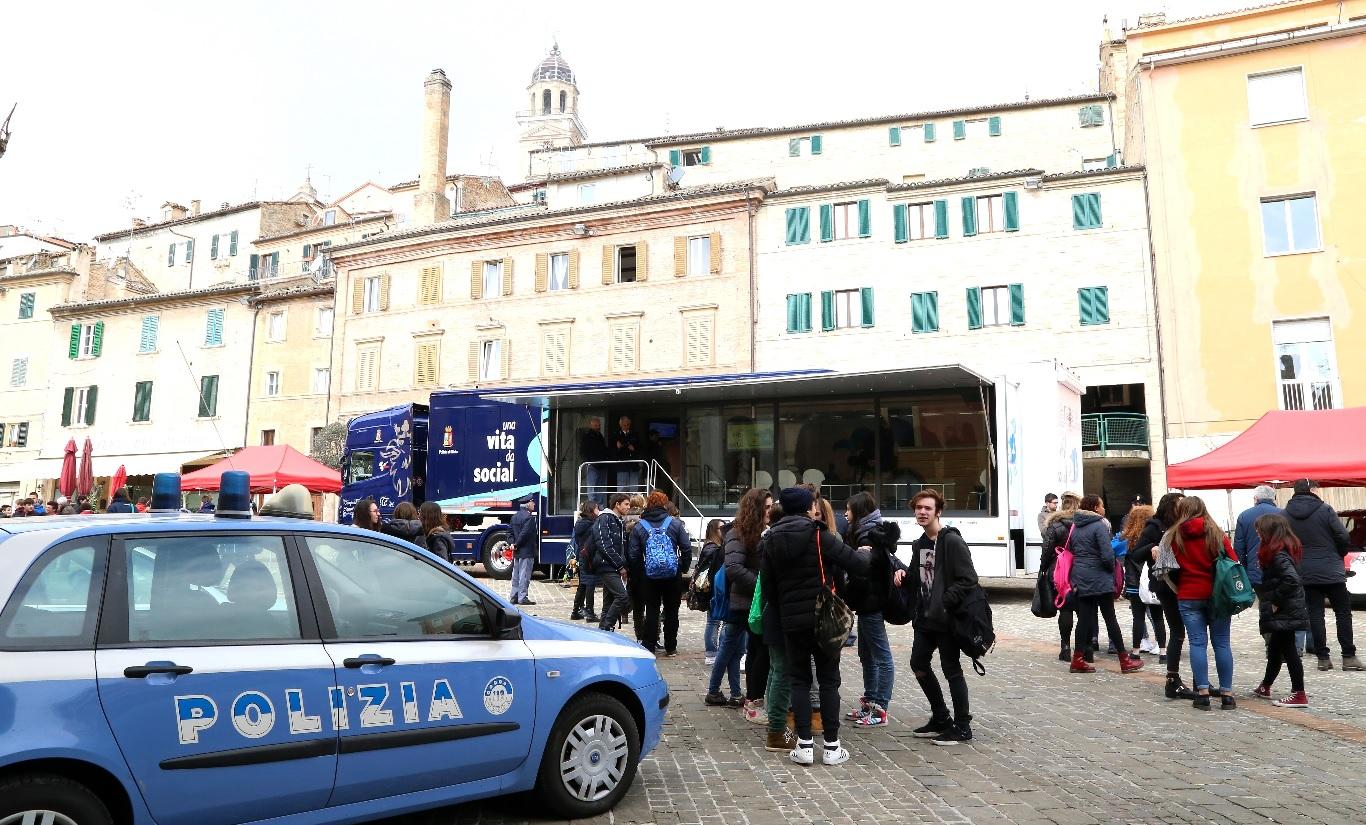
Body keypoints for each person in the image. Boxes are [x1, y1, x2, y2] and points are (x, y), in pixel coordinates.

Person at [761, 486, 869, 766]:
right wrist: (869, 553)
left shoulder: (771, 539)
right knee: (829, 681)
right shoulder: (819, 535)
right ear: (808, 508)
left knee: (799, 680)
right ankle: (832, 747)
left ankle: (805, 745)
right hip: (824, 619)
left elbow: (769, 589)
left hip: (791, 621)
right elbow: (856, 564)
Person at [894, 489, 980, 745]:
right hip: (925, 618)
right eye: (918, 508)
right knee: (918, 663)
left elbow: (969, 579)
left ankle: (963, 726)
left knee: (951, 669)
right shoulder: (920, 543)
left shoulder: (951, 541)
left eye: (927, 508)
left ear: (938, 512)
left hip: (947, 618)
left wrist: (945, 601)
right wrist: (903, 576)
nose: (922, 512)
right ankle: (941, 717)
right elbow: (918, 578)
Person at [1167, 495, 1239, 709]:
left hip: (1189, 594)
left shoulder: (1174, 535)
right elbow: (1233, 561)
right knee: (1222, 643)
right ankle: (1227, 695)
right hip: (1218, 595)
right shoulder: (1217, 533)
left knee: (1197, 643)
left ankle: (1203, 694)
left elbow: (1168, 569)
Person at [1284, 479, 1359, 671]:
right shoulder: (1325, 509)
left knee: (1315, 614)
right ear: (1312, 490)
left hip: (1305, 571)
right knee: (1343, 612)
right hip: (1332, 570)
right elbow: (1342, 536)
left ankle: (1323, 658)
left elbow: (1285, 543)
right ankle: (1348, 656)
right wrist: (1338, 554)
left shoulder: (1285, 514)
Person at [706, 487, 771, 708]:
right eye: (767, 507)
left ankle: (736, 693)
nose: (770, 512)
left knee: (739, 650)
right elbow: (734, 568)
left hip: (752, 602)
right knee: (732, 648)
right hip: (743, 603)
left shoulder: (763, 530)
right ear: (756, 509)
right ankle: (718, 691)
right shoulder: (737, 533)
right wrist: (762, 585)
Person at [1131, 493, 1197, 699]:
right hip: (1166, 585)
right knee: (1178, 631)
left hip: (1187, 583)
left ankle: (1200, 680)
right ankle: (1173, 679)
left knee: (1195, 634)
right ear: (1170, 507)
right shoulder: (1154, 526)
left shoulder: (1186, 524)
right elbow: (1135, 553)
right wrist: (1152, 548)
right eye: (1179, 504)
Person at [1068, 494, 1143, 675]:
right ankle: (1124, 660)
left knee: (1084, 619)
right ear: (1095, 508)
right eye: (1101, 506)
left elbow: (1071, 549)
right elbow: (1107, 555)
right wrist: (1111, 569)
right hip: (1099, 578)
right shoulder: (1098, 526)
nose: (1104, 509)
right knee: (1110, 619)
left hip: (1081, 576)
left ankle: (1077, 659)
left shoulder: (1076, 526)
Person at [844, 491, 895, 728]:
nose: (845, 514)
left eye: (849, 509)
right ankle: (870, 702)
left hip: (871, 603)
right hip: (867, 603)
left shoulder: (867, 536)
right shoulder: (868, 531)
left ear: (859, 512)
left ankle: (880, 708)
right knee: (866, 656)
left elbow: (864, 573)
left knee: (881, 657)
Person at [1251, 514, 1311, 707]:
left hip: (1285, 608)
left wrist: (1276, 600)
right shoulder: (1281, 550)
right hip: (1287, 608)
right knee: (1276, 648)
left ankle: (1299, 693)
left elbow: (1291, 579)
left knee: (1289, 649)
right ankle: (1265, 685)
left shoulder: (1279, 554)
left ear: (1269, 532)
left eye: (1260, 530)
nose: (1257, 533)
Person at [628, 490, 691, 656]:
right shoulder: (675, 524)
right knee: (672, 611)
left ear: (648, 505)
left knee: (651, 610)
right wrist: (682, 568)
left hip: (649, 576)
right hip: (672, 574)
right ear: (664, 504)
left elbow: (633, 555)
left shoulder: (640, 526)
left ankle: (649, 645)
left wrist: (640, 573)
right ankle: (671, 647)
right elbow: (686, 548)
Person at [1041, 492, 1082, 661]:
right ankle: (1084, 648)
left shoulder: (1055, 525)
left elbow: (1047, 549)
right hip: (1082, 570)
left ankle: (1065, 647)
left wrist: (1044, 568)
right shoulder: (1085, 524)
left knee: (1065, 607)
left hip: (1060, 570)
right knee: (1084, 609)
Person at [1120, 504, 1163, 657]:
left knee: (1137, 617)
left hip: (1134, 582)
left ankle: (1137, 648)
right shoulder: (1155, 537)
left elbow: (1113, 548)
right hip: (1151, 581)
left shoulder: (1127, 538)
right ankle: (1161, 647)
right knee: (1157, 616)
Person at [592, 493, 632, 632]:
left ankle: (603, 631)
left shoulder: (617, 520)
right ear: (617, 504)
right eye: (626, 504)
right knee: (622, 596)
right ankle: (608, 626)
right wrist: (620, 565)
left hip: (612, 565)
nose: (629, 507)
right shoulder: (605, 518)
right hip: (606, 565)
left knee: (608, 601)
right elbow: (604, 544)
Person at [1235, 485, 1280, 589]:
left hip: (1255, 568)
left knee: (1264, 601)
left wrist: (1246, 568)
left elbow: (1239, 548)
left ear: (1255, 498)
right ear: (1273, 498)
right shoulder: (1282, 514)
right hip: (1280, 567)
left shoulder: (1244, 516)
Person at [698, 519, 725, 664]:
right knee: (713, 621)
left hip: (713, 588)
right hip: (713, 589)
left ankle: (712, 653)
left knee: (714, 620)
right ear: (714, 530)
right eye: (721, 528)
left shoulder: (709, 546)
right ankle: (711, 653)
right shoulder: (712, 548)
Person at [571, 500, 601, 622]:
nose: (598, 510)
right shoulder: (592, 524)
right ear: (591, 510)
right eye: (597, 508)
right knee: (590, 584)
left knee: (583, 584)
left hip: (582, 555)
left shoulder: (580, 523)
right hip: (589, 556)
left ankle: (576, 610)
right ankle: (590, 612)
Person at [509, 499, 539, 606]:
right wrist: (516, 544)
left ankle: (514, 596)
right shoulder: (529, 518)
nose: (534, 504)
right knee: (524, 575)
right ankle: (522, 597)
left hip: (517, 551)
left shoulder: (514, 516)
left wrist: (513, 544)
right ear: (528, 504)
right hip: (526, 550)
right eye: (532, 502)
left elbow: (510, 533)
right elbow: (525, 534)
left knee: (516, 574)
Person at [579, 418, 610, 503]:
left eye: (599, 425)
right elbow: (583, 452)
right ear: (591, 426)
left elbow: (604, 449)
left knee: (600, 487)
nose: (598, 427)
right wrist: (589, 461)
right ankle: (592, 505)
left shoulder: (600, 436)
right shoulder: (587, 437)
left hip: (602, 464)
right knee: (592, 486)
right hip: (593, 465)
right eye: (596, 425)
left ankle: (599, 505)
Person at [613, 416, 642, 490]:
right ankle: (620, 501)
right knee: (621, 487)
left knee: (634, 487)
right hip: (622, 465)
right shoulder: (616, 435)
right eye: (624, 425)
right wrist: (619, 448)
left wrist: (633, 449)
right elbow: (612, 450)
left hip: (633, 465)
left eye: (628, 425)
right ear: (620, 425)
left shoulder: (635, 434)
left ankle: (633, 502)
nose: (626, 427)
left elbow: (640, 448)